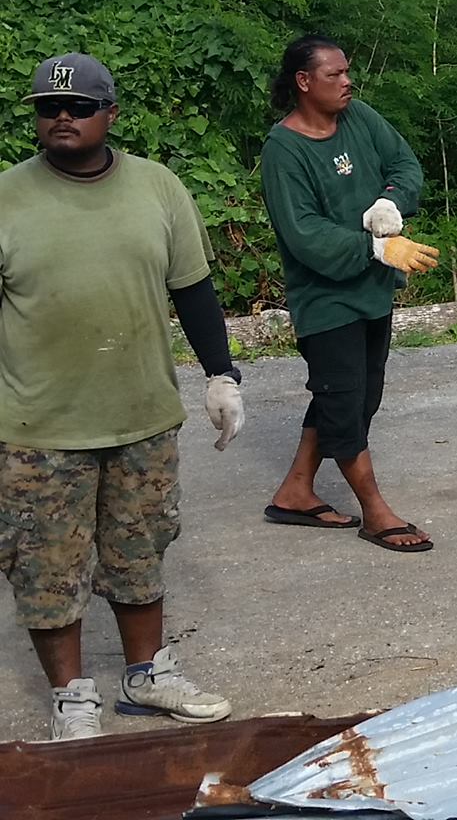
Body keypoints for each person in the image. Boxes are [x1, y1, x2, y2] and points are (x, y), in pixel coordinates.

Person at [0, 53, 243, 741]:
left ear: (110, 113)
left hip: (141, 415)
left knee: (140, 550)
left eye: (78, 107)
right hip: (37, 425)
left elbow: (193, 289)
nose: (63, 117)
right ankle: (72, 696)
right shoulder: (6, 197)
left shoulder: (157, 188)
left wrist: (222, 375)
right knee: (45, 567)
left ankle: (148, 675)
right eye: (50, 107)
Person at [259, 35, 440, 553]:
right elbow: (304, 234)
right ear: (303, 81)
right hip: (325, 300)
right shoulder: (284, 151)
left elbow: (404, 165)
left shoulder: (358, 117)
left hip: (372, 293)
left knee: (355, 397)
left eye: (347, 72)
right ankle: (376, 512)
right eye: (335, 74)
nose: (347, 82)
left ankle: (295, 490)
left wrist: (389, 206)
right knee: (344, 401)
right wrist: (377, 249)